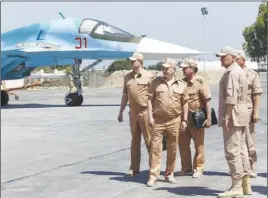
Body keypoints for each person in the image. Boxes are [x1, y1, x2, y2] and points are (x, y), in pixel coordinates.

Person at [146, 58, 189, 187]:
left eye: (167, 68)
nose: (164, 70)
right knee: (155, 148)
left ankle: (169, 173)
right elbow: (149, 100)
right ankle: (153, 176)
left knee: (172, 148)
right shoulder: (155, 83)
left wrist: (185, 120)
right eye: (163, 68)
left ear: (173, 70)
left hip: (174, 120)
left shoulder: (182, 85)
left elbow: (185, 103)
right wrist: (149, 116)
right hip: (158, 120)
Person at [216, 46, 252, 198]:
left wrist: (227, 116)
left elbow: (231, 96)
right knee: (242, 149)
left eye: (224, 56)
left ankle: (237, 186)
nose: (221, 59)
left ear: (232, 57)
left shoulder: (232, 72)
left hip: (233, 113)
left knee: (232, 150)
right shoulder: (240, 71)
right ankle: (245, 184)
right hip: (241, 112)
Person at [118, 52, 154, 176]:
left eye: (134, 61)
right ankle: (134, 168)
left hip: (145, 111)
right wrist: (121, 111)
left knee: (149, 140)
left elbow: (154, 96)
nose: (132, 63)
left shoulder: (149, 76)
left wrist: (153, 114)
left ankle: (153, 168)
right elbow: (125, 95)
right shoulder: (127, 77)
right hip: (133, 112)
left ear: (140, 61)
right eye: (131, 61)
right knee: (134, 141)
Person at [178, 58, 212, 178]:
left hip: (197, 117)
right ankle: (186, 167)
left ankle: (198, 167)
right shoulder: (181, 82)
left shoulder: (201, 82)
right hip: (183, 118)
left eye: (185, 68)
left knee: (198, 144)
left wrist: (208, 118)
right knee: (183, 144)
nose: (182, 70)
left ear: (192, 69)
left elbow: (207, 101)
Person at [237, 50, 263, 178]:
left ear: (243, 60)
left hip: (247, 110)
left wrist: (256, 112)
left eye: (237, 59)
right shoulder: (231, 74)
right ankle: (240, 167)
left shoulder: (252, 75)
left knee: (249, 139)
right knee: (237, 140)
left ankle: (251, 166)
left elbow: (257, 94)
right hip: (234, 110)